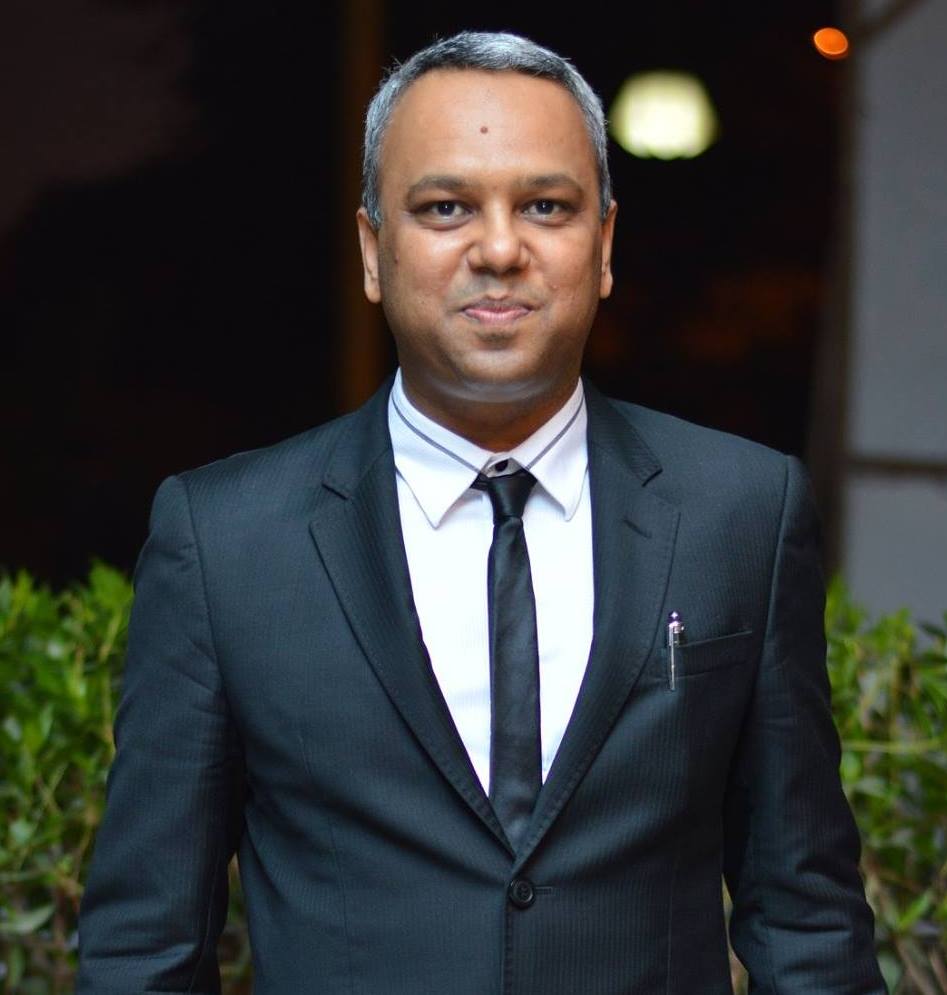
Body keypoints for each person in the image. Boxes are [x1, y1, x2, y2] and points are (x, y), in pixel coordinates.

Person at [76, 31, 887, 995]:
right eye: (446, 207)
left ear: (605, 245)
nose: (499, 250)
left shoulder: (740, 511)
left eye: (545, 206)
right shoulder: (225, 538)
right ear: (375, 250)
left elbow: (805, 918)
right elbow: (145, 947)